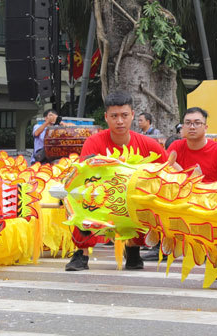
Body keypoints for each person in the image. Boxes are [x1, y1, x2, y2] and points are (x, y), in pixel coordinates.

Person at [65, 91, 166, 272]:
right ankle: (81, 254)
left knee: (145, 201)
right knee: (80, 201)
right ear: (106, 117)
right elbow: (82, 176)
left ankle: (133, 250)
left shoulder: (148, 145)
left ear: (132, 115)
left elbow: (167, 171)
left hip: (132, 202)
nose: (120, 121)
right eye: (114, 116)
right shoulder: (93, 142)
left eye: (124, 115)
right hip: (100, 201)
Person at [166, 107, 217, 184]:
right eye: (188, 123)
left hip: (211, 195)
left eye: (197, 123)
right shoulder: (176, 147)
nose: (192, 127)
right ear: (183, 127)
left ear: (205, 128)